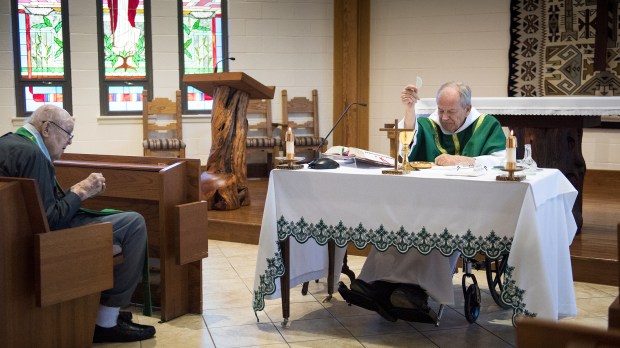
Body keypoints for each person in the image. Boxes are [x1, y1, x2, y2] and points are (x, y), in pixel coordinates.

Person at [0, 105, 156, 343]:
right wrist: (82, 191)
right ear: (47, 129)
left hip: (13, 239)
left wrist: (71, 192)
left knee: (126, 221)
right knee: (134, 224)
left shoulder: (8, 143)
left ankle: (98, 312)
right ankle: (105, 322)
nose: (70, 142)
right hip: (44, 244)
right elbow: (50, 221)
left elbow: (40, 207)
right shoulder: (33, 155)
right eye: (68, 133)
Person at [353, 82, 507, 321]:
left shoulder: (487, 125)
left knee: (437, 228)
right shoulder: (430, 124)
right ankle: (376, 284)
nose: (444, 117)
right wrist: (409, 108)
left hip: (463, 206)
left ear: (467, 109)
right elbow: (409, 142)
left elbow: (500, 160)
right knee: (398, 223)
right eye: (440, 110)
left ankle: (416, 290)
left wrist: (464, 160)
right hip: (424, 200)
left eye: (451, 112)